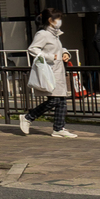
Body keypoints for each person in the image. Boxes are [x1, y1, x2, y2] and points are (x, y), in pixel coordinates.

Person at [19, 9, 76, 138]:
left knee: (61, 100)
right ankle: (29, 117)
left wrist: (65, 53)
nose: (60, 21)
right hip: (49, 71)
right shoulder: (43, 34)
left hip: (57, 70)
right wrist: (51, 57)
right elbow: (33, 49)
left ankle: (59, 128)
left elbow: (59, 48)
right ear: (50, 20)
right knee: (55, 99)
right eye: (58, 18)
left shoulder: (54, 34)